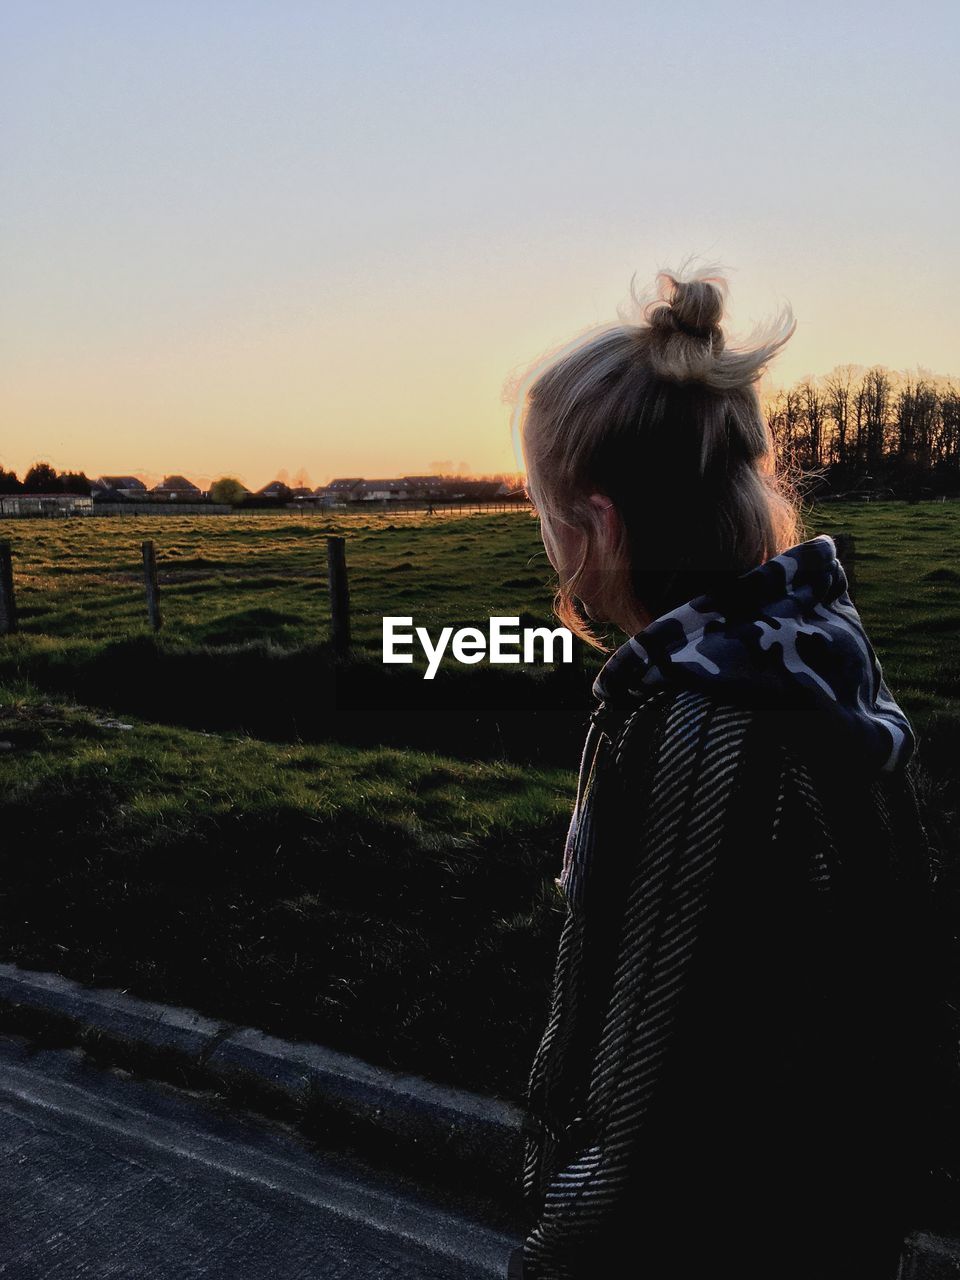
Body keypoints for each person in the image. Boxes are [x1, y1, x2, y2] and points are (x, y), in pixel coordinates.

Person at [505, 265, 947, 1279]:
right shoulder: (813, 662)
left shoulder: (702, 729)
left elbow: (640, 1097)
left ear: (600, 530)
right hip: (831, 1205)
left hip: (712, 1232)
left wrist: (551, 1250)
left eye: (543, 512)